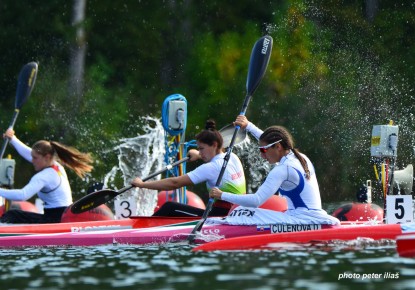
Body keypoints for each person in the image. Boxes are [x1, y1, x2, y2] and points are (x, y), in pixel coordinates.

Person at [208, 115, 340, 225]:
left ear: (278, 147)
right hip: (309, 217)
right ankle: (217, 222)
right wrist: (248, 125)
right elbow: (267, 139)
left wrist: (221, 195)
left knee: (243, 210)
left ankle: (213, 225)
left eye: (263, 150)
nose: (262, 154)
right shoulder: (300, 157)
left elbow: (256, 200)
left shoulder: (283, 170)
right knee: (244, 211)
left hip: (302, 220)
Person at [131, 119, 246, 217]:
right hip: (240, 212)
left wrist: (142, 184)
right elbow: (218, 162)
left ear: (215, 145)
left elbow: (174, 183)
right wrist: (199, 154)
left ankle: (143, 228)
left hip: (221, 216)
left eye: (201, 148)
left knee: (170, 207)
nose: (200, 152)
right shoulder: (232, 157)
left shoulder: (210, 168)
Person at [0, 129, 93, 224]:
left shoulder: (44, 176)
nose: (32, 161)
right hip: (64, 216)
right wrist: (12, 139)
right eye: (32, 157)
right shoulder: (57, 166)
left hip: (54, 220)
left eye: (35, 158)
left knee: (12, 215)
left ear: (47, 157)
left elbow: (22, 195)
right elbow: (28, 153)